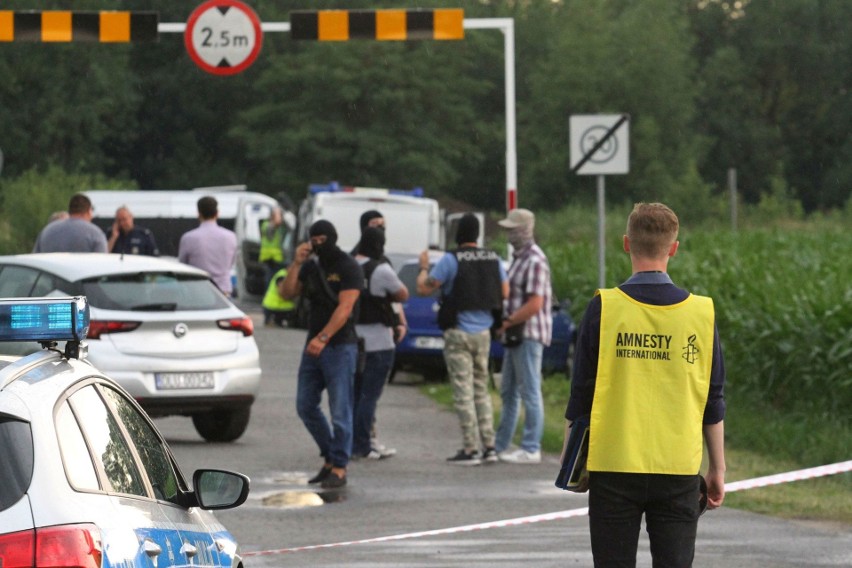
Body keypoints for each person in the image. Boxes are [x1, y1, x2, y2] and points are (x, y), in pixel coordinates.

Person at [563, 202, 727, 567]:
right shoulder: (701, 314)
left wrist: (570, 458)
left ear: (626, 244)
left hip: (615, 462)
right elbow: (712, 399)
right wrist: (717, 468)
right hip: (678, 467)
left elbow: (582, 394)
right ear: (673, 248)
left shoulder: (604, 308)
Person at [417, 213, 508, 466]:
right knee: (482, 390)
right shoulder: (493, 258)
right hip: (484, 334)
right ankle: (489, 446)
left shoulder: (451, 259)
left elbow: (424, 288)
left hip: (458, 332)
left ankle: (470, 448)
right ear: (477, 233)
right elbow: (505, 291)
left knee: (463, 392)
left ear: (459, 233)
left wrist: (423, 266)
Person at [279, 220, 363, 489]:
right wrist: (296, 263)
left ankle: (339, 466)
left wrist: (324, 337)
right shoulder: (311, 266)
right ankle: (330, 456)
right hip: (312, 346)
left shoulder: (348, 266)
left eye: (322, 239)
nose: (317, 244)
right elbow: (287, 293)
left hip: (339, 345)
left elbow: (346, 307)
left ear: (333, 238)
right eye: (313, 239)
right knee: (305, 405)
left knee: (340, 410)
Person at [494, 208, 553, 464]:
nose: (508, 233)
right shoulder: (519, 258)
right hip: (516, 335)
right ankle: (500, 445)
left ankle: (531, 447)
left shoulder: (535, 260)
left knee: (529, 391)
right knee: (508, 391)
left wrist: (507, 322)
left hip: (528, 334)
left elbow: (535, 304)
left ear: (523, 230)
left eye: (511, 229)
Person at [352, 227, 409, 459]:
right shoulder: (381, 269)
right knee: (369, 396)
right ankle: (364, 444)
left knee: (354, 395)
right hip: (379, 341)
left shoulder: (347, 265)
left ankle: (351, 441)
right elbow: (403, 294)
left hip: (351, 340)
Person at [178, 196, 238, 296]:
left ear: (199, 214)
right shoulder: (230, 237)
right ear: (217, 213)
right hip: (223, 292)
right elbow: (231, 263)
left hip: (197, 291)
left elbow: (183, 265)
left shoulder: (189, 238)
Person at [33, 193, 108, 253]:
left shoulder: (47, 231)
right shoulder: (95, 233)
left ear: (70, 209)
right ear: (89, 211)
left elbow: (35, 259)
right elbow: (102, 263)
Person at [259, 207, 286, 285]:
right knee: (271, 280)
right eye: (278, 214)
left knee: (272, 278)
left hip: (273, 258)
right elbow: (277, 222)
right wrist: (277, 211)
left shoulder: (274, 226)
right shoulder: (267, 225)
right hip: (270, 258)